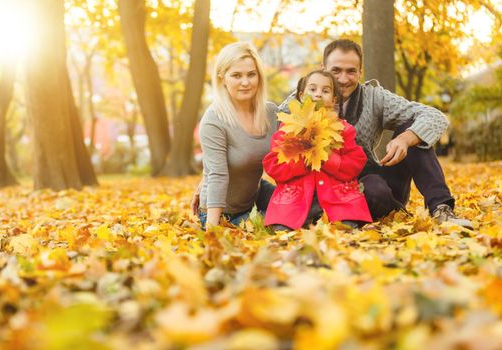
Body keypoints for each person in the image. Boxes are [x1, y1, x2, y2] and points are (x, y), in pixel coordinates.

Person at [282, 39, 472, 229]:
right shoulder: (302, 98)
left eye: (351, 71)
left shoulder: (374, 98)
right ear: (323, 68)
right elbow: (277, 131)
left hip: (372, 183)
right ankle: (386, 213)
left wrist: (405, 138)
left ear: (360, 72)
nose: (343, 78)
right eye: (336, 70)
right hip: (323, 189)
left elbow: (436, 117)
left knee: (411, 129)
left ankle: (441, 208)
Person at [263, 70, 372, 230]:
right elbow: (273, 165)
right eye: (312, 89)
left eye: (325, 91)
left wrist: (329, 159)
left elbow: (356, 163)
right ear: (301, 95)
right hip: (295, 201)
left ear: (334, 99)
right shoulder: (288, 129)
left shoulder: (342, 130)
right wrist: (303, 160)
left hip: (335, 201)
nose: (318, 94)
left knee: (346, 227)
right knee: (283, 230)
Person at [197, 41, 279, 229]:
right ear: (222, 79)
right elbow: (217, 175)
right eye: (236, 75)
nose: (245, 82)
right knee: (281, 222)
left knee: (304, 209)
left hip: (254, 196)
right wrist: (212, 228)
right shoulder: (213, 120)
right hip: (223, 213)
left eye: (251, 74)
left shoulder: (271, 113)